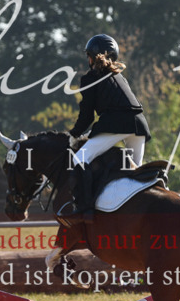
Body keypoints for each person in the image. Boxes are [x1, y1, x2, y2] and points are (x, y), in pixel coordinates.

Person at [58, 34, 151, 227]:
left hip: (116, 124)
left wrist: (73, 134)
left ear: (91, 57)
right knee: (136, 173)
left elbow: (87, 116)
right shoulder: (119, 77)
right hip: (139, 125)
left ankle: (85, 210)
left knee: (79, 159)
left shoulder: (89, 78)